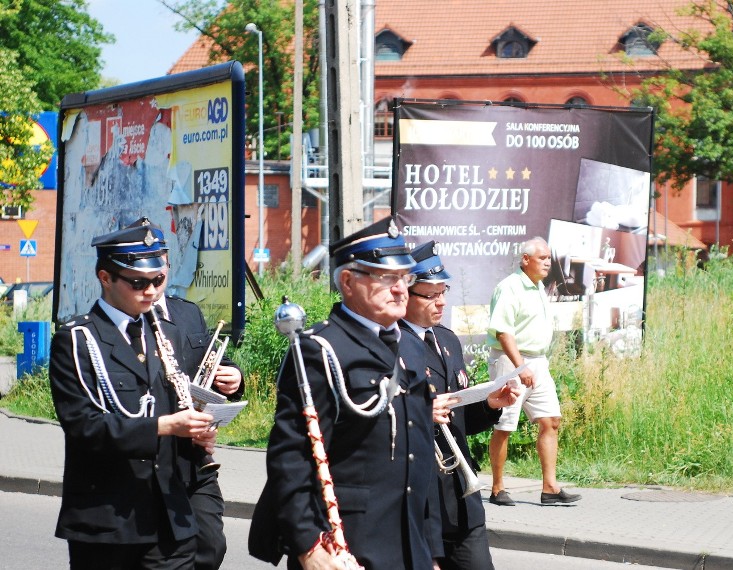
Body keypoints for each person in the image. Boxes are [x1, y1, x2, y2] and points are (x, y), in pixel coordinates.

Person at [249, 216, 442, 570]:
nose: (401, 289)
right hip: (345, 545)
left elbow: (418, 459)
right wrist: (309, 546)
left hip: (407, 547)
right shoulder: (320, 350)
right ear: (349, 282)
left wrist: (428, 550)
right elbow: (291, 458)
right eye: (388, 279)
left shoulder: (412, 348)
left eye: (406, 278)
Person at [49, 220, 216, 569]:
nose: (151, 292)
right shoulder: (78, 340)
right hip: (108, 521)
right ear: (106, 278)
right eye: (138, 283)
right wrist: (165, 426)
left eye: (157, 280)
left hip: (171, 516)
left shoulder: (165, 331)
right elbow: (84, 427)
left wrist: (198, 430)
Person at [400, 241, 519, 570]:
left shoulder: (447, 339)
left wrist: (490, 405)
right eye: (430, 295)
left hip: (460, 496)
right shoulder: (389, 344)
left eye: (444, 291)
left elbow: (458, 419)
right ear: (404, 294)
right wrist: (423, 412)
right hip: (422, 497)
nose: (441, 302)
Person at [152, 245, 244, 570]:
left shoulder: (188, 312)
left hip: (195, 462)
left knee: (210, 545)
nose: (154, 275)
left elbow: (212, 359)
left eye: (160, 264)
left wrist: (234, 377)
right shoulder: (127, 325)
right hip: (154, 458)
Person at [487, 237, 582, 507]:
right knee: (504, 425)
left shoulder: (538, 286)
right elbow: (503, 332)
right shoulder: (509, 287)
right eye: (542, 258)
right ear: (525, 259)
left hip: (537, 361)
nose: (548, 263)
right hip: (511, 360)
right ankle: (497, 488)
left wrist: (531, 365)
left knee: (551, 420)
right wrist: (520, 367)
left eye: (549, 258)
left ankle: (550, 488)